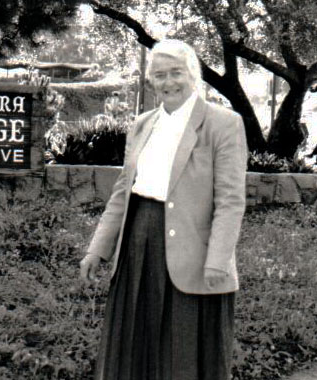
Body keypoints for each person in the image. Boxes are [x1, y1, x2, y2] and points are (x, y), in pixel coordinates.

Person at [79, 39, 248, 380]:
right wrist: (98, 249)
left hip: (195, 255)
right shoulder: (143, 124)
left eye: (176, 73)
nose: (168, 82)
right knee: (136, 348)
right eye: (159, 76)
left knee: (183, 352)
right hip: (138, 245)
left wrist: (217, 258)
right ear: (151, 82)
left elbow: (230, 200)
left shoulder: (223, 124)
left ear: (193, 75)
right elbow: (123, 191)